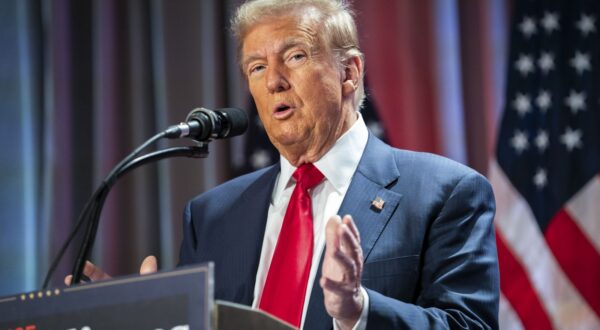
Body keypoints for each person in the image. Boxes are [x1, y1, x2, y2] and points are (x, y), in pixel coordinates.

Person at [70, 0, 499, 329]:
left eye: (294, 57)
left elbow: (469, 325)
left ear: (350, 72)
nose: (273, 80)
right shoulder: (212, 214)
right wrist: (149, 320)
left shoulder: (445, 193)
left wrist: (358, 310)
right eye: (256, 67)